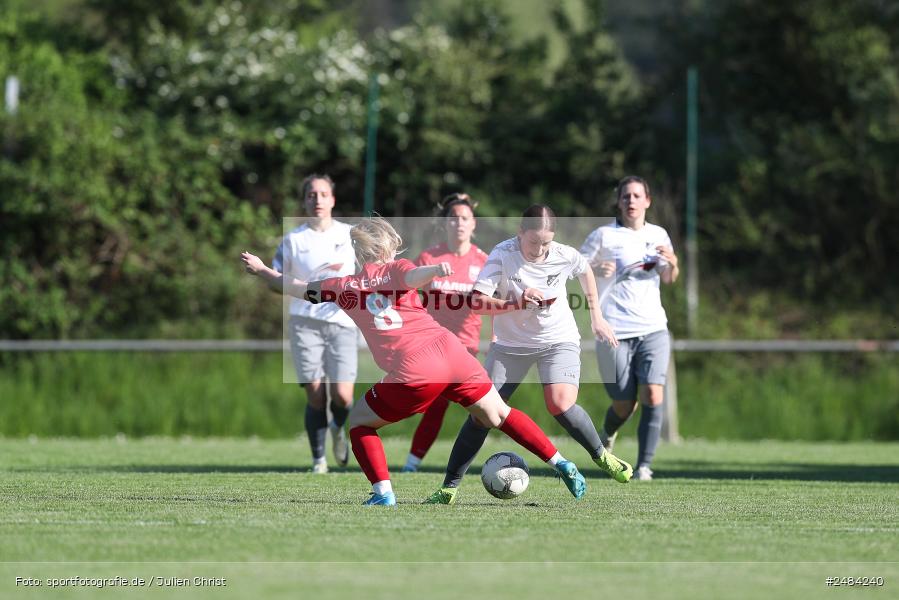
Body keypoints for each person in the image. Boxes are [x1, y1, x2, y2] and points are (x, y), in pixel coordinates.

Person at [241, 217, 588, 506]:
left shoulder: (340, 285)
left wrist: (260, 270)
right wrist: (435, 269)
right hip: (452, 351)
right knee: (499, 414)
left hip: (415, 369)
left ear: (359, 251)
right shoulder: (397, 268)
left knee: (360, 423)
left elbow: (295, 286)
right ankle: (562, 463)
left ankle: (383, 494)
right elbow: (410, 277)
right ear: (388, 248)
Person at [424, 205, 634, 505]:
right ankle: (449, 488)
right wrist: (516, 304)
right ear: (520, 233)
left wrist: (596, 317)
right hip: (509, 345)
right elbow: (477, 302)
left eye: (546, 242)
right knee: (482, 412)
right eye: (533, 241)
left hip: (557, 340)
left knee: (560, 403)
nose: (540, 249)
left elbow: (585, 269)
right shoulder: (502, 254)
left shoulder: (563, 254)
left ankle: (602, 456)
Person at [580, 175, 679, 481]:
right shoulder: (603, 235)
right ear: (619, 201)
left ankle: (645, 466)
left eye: (637, 196)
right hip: (614, 331)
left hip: (653, 328)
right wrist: (595, 268)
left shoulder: (659, 234)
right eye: (626, 196)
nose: (631, 201)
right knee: (625, 404)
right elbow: (574, 269)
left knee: (652, 393)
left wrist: (673, 262)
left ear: (647, 201)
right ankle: (607, 433)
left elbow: (669, 278)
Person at [270, 174, 358, 474]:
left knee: (343, 396)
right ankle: (319, 460)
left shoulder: (351, 235)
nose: (317, 199)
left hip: (343, 323)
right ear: (304, 200)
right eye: (311, 194)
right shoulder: (293, 240)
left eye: (323, 194)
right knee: (316, 394)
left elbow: (370, 271)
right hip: (304, 322)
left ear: (332, 199)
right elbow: (274, 279)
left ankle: (338, 427)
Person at [401, 193, 489, 473]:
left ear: (473, 224)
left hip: (467, 348)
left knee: (484, 409)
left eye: (465, 218)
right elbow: (406, 292)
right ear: (445, 224)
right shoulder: (429, 257)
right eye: (453, 218)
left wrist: (497, 336)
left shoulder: (484, 261)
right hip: (434, 346)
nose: (459, 223)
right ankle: (412, 464)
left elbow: (495, 302)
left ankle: (446, 465)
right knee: (435, 405)